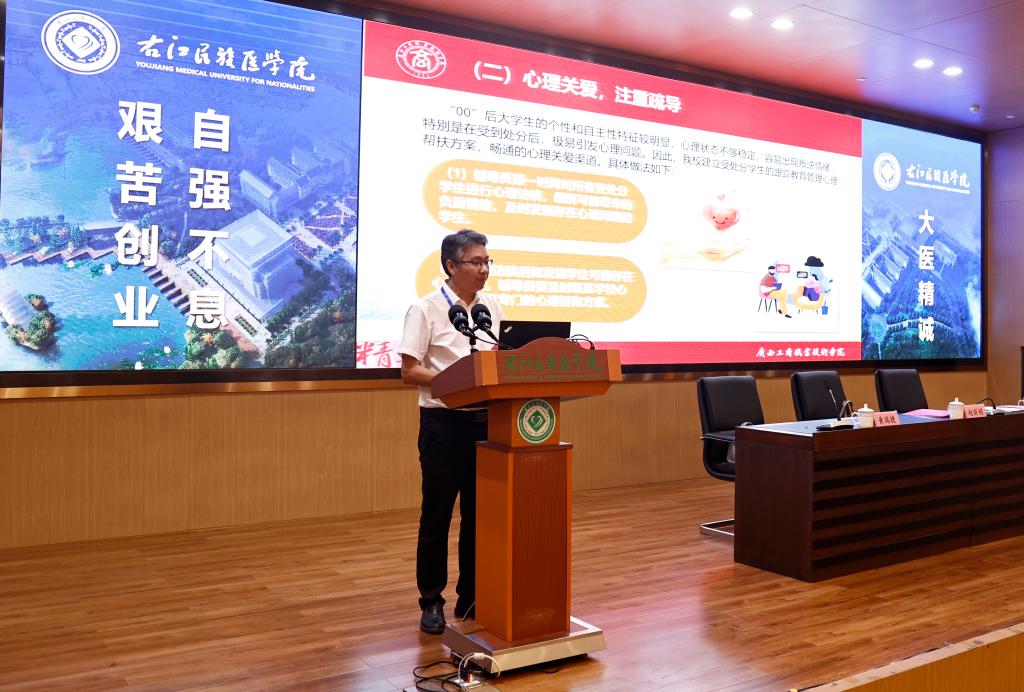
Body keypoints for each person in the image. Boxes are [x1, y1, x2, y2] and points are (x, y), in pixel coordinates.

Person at [398, 229, 506, 635]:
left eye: (487, 262)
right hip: (443, 425)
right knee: (437, 516)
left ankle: (471, 594)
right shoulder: (425, 309)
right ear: (451, 265)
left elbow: (499, 361)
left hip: (485, 424)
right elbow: (409, 370)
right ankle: (431, 600)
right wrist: (456, 382)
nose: (484, 270)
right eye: (476, 262)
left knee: (478, 516)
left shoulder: (492, 307)